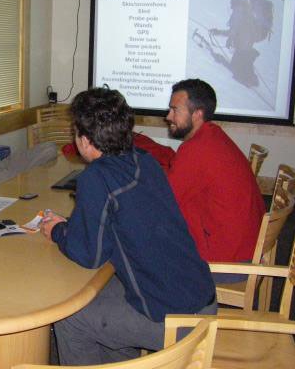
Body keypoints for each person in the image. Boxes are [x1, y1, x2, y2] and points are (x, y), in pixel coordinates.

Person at [40, 87, 216, 365]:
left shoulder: (95, 178)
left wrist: (58, 231)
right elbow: (119, 220)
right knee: (99, 297)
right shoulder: (144, 161)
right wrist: (75, 223)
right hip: (201, 298)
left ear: (85, 140)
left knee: (70, 318)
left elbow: (90, 255)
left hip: (175, 321)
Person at [142, 79, 265, 272]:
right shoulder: (213, 137)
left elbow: (162, 203)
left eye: (175, 110)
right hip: (244, 247)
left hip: (227, 263)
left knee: (144, 234)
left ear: (197, 114)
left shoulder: (197, 149)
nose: (168, 116)